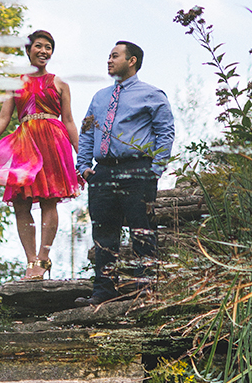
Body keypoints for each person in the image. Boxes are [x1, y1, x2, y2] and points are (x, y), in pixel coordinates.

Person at [75, 40, 175, 305]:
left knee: (142, 231)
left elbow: (165, 133)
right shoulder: (99, 97)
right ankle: (103, 292)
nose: (109, 60)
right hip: (102, 173)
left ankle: (146, 291)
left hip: (138, 171)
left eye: (115, 56)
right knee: (104, 234)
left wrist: (155, 170)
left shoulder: (152, 94)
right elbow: (87, 131)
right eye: (108, 55)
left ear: (132, 61)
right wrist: (84, 168)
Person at [0, 29, 81, 281]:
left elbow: (68, 121)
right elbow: (4, 117)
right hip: (24, 144)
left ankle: (43, 259)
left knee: (50, 199)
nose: (44, 51)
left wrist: (84, 156)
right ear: (28, 49)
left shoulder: (60, 84)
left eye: (48, 47)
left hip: (53, 142)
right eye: (39, 46)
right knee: (21, 203)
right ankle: (31, 260)